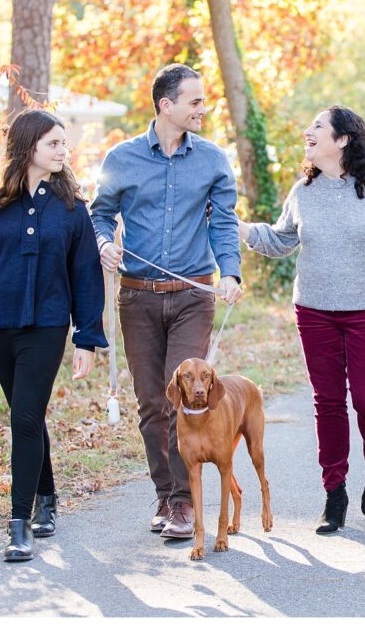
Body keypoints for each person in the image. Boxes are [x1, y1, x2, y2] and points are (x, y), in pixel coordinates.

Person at [240, 106, 365, 534]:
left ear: (343, 139)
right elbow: (282, 239)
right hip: (315, 309)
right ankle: (334, 492)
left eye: (317, 127)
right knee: (327, 401)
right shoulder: (303, 191)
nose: (307, 132)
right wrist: (241, 228)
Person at [90, 64, 243, 539]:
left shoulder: (214, 160)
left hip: (194, 296)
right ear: (166, 106)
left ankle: (183, 502)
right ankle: (165, 494)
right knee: (152, 402)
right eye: (195, 101)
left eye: (204, 101)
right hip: (136, 297)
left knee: (184, 397)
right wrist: (103, 244)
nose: (203, 109)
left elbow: (223, 223)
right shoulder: (122, 158)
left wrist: (230, 270)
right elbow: (100, 214)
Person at [0, 109, 107, 562]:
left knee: (23, 418)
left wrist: (87, 337)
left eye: (65, 143)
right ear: (28, 148)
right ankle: (47, 497)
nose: (64, 150)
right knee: (30, 416)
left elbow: (85, 276)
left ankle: (18, 523)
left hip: (47, 326)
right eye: (54, 143)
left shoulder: (73, 209)